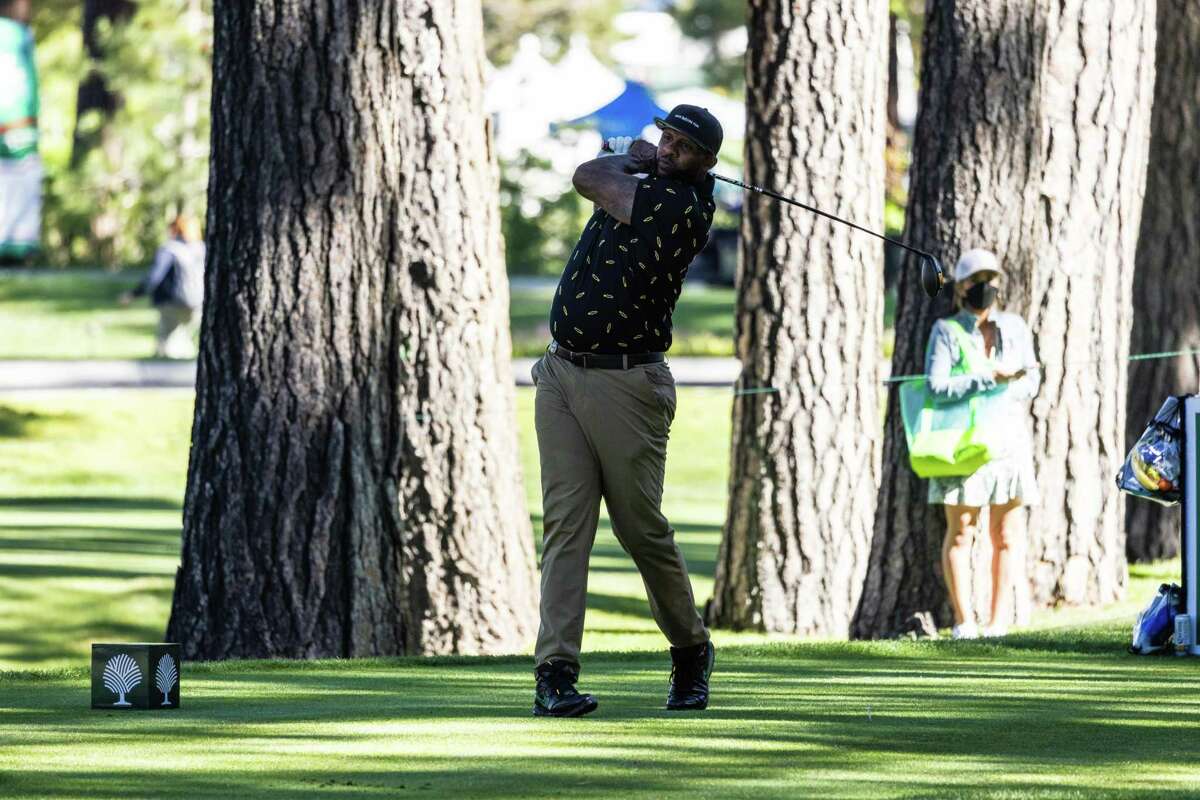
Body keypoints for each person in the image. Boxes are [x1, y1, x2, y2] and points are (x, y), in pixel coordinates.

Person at [529, 105, 722, 717]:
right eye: (666, 137)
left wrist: (627, 158)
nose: (668, 149)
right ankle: (554, 674)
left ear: (705, 164)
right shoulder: (649, 184)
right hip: (561, 372)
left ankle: (690, 649)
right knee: (566, 525)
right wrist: (638, 160)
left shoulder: (680, 207)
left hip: (627, 382)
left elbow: (589, 177)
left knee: (640, 529)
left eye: (683, 146)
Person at [926, 249, 1040, 640]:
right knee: (962, 533)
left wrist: (1012, 382)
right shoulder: (946, 331)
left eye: (990, 280)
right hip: (963, 447)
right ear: (960, 287)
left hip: (1007, 445)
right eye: (976, 281)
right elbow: (936, 387)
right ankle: (964, 621)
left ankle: (996, 622)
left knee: (1006, 535)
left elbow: (1031, 380)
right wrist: (988, 379)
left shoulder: (1015, 327)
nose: (984, 288)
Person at [121, 215, 206, 359]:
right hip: (197, 305)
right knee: (181, 338)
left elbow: (154, 277)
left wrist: (133, 294)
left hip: (172, 303)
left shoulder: (170, 249)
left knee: (164, 345)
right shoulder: (202, 248)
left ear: (174, 230)